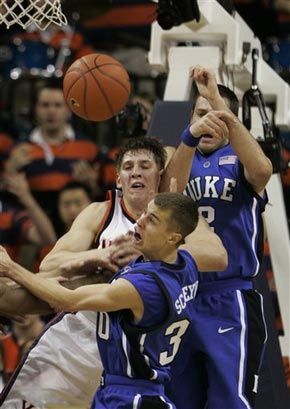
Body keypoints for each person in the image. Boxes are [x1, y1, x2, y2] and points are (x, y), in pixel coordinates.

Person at [0, 136, 227, 408]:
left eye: (145, 166)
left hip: (128, 359)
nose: (136, 173)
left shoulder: (175, 218)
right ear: (118, 179)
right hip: (76, 342)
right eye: (128, 167)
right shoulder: (101, 211)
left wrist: (142, 256)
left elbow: (217, 256)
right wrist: (98, 255)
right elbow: (50, 265)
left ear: (160, 176)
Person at [162, 65, 273, 408]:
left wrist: (217, 102)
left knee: (230, 401)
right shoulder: (180, 155)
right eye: (200, 114)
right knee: (178, 400)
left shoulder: (240, 160)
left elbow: (262, 170)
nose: (208, 121)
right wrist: (189, 137)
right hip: (182, 294)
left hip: (230, 295)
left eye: (217, 115)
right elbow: (168, 191)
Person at [4, 82, 112, 234]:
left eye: (57, 105)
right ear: (36, 109)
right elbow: (6, 199)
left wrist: (92, 185)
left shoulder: (88, 148)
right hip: (34, 234)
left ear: (69, 110)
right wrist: (10, 170)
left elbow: (105, 198)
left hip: (80, 231)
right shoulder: (19, 150)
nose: (51, 111)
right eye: (45, 105)